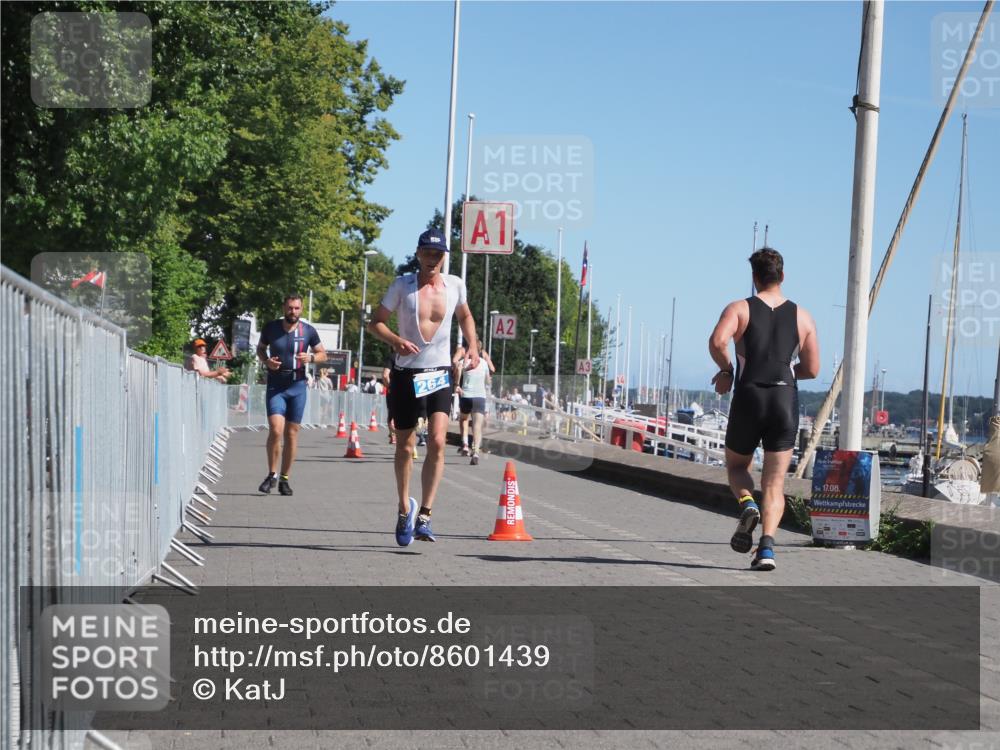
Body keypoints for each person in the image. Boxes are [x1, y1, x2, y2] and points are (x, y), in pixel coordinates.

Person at [708, 247, 819, 571]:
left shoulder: (740, 309)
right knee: (775, 484)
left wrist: (729, 370)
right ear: (782, 276)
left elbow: (717, 342)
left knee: (737, 467)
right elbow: (812, 368)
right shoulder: (803, 316)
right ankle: (767, 550)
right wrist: (784, 372)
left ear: (754, 278)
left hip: (749, 395)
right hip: (784, 399)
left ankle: (746, 503)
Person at [369, 228, 479, 545]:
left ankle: (426, 514)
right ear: (418, 254)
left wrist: (472, 344)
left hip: (439, 373)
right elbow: (375, 322)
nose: (432, 260)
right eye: (427, 253)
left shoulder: (456, 285)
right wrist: (396, 340)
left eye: (438, 255)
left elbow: (466, 315)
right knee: (404, 447)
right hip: (407, 373)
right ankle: (404, 508)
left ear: (444, 257)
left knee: (438, 441)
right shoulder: (402, 286)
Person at [256, 295, 327, 496]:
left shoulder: (308, 331)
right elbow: (260, 349)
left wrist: (311, 357)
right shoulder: (271, 328)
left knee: (292, 433)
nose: (293, 312)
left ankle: (285, 478)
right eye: (290, 308)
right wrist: (266, 361)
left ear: (301, 309)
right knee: (276, 430)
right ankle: (272, 474)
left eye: (297, 308)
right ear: (284, 308)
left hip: (297, 385)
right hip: (276, 385)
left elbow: (323, 354)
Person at [456, 337, 494, 465]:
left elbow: (458, 368)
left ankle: (465, 444)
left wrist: (457, 384)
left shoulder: (465, 361)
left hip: (466, 395)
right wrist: (487, 380)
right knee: (477, 426)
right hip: (479, 397)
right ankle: (476, 452)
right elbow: (488, 381)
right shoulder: (483, 363)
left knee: (464, 419)